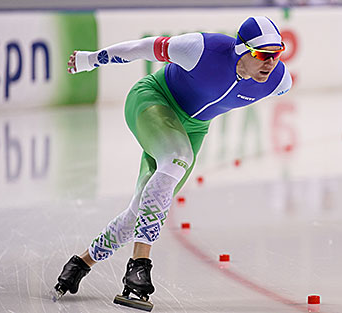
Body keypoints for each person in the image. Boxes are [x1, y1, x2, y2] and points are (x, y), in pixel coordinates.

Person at [52, 16, 292, 311]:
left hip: (193, 129)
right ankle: (139, 264)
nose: (270, 63)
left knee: (143, 209)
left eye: (276, 53)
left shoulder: (280, 81)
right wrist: (91, 59)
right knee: (178, 160)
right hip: (153, 99)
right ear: (242, 49)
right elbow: (141, 48)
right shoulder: (201, 49)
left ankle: (80, 263)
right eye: (261, 54)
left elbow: (272, 75)